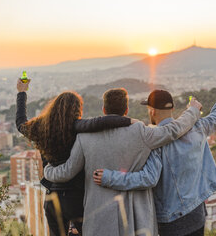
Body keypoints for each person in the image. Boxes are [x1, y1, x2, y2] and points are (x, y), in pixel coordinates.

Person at [44, 87, 203, 236]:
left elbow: (67, 172)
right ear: (126, 110)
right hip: (137, 221)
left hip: (98, 221)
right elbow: (174, 130)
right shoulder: (141, 133)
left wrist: (47, 170)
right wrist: (193, 111)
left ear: (104, 109)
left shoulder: (84, 137)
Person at [93, 71, 216, 236]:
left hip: (172, 222)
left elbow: (148, 178)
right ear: (173, 108)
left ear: (151, 111)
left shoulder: (154, 141)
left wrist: (109, 178)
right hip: (197, 215)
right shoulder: (198, 128)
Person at [16, 79, 133, 236]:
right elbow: (102, 122)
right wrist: (131, 122)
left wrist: (22, 92)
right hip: (76, 197)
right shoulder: (78, 127)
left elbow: (20, 122)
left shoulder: (41, 129)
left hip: (52, 196)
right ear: (77, 109)